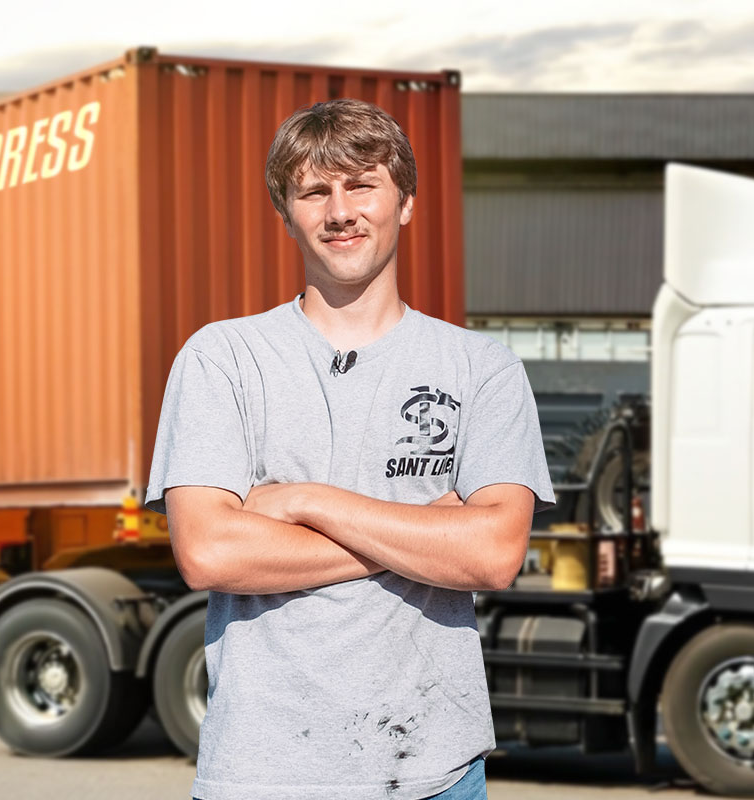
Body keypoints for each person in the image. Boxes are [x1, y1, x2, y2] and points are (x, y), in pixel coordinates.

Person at [146, 98, 554, 800]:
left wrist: (305, 501)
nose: (340, 211)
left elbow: (491, 555)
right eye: (315, 191)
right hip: (262, 774)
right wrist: (426, 533)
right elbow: (209, 553)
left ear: (406, 203)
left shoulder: (482, 368)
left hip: (435, 775)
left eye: (362, 184)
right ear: (288, 214)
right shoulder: (223, 357)